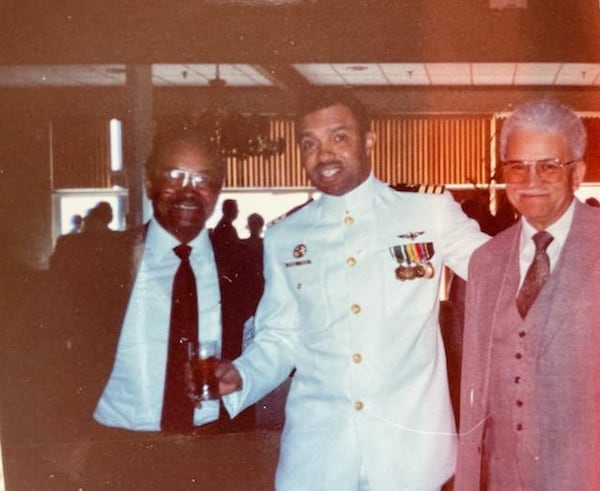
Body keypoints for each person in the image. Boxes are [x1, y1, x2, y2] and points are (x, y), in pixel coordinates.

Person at [217, 89, 489, 490]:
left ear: (369, 141)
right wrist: (241, 375)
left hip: (411, 458)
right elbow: (280, 336)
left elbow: (501, 273)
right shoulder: (285, 235)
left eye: (339, 137)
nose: (323, 155)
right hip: (317, 460)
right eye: (309, 144)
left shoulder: (425, 210)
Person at [43, 121, 226, 441]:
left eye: (202, 179)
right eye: (174, 176)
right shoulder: (90, 260)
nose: (188, 190)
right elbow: (40, 354)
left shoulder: (248, 266)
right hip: (117, 449)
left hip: (216, 450)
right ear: (150, 181)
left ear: (218, 189)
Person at [454, 100, 600, 490]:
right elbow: (475, 391)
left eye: (549, 166)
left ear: (578, 173)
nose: (530, 180)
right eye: (517, 166)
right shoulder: (485, 261)